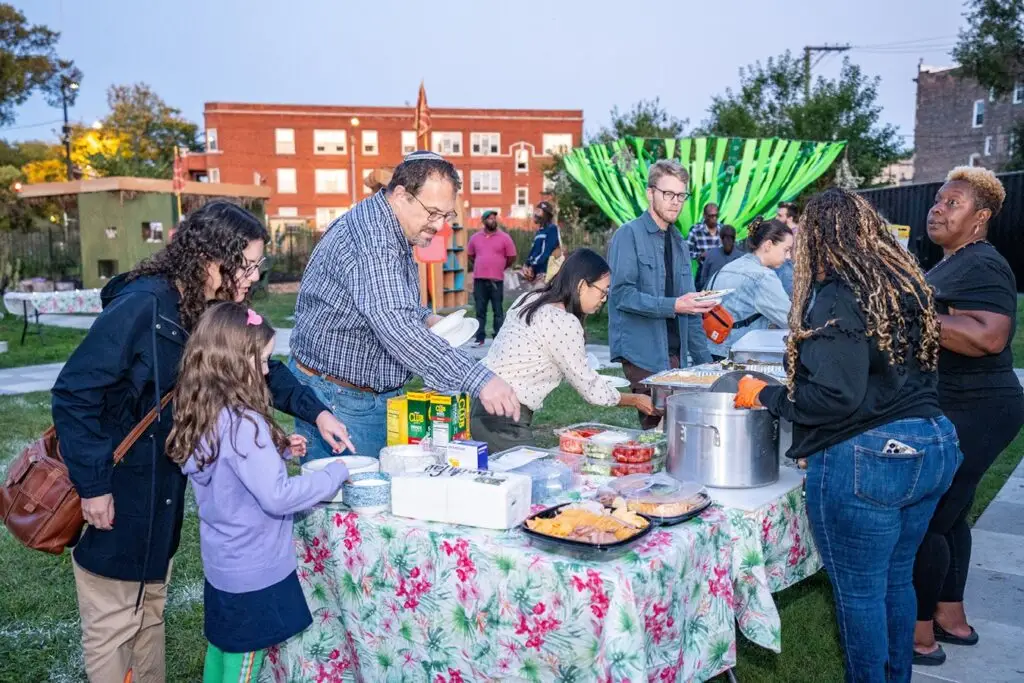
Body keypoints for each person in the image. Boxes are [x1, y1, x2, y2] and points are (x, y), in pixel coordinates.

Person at [50, 201, 353, 683]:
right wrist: (93, 485)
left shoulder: (209, 310)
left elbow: (263, 369)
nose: (254, 276)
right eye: (249, 264)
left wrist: (316, 411)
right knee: (113, 625)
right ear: (215, 259)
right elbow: (74, 393)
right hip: (121, 490)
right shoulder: (143, 305)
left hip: (160, 497)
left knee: (148, 616)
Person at [734, 188, 960, 683]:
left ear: (819, 237)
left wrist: (764, 395)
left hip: (871, 458)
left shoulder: (838, 292)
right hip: (932, 444)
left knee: (860, 594)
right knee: (896, 579)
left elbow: (834, 397)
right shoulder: (903, 283)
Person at [289, 151, 519, 461]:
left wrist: (426, 318)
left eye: (446, 216)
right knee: (352, 505)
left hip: (360, 394)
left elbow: (390, 300)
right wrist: (480, 379)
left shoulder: (391, 227)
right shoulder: (373, 239)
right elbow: (396, 326)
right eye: (432, 213)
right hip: (340, 399)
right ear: (400, 195)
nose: (439, 226)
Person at [166, 302, 348, 683]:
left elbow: (225, 469)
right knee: (244, 665)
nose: (267, 371)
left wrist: (279, 450)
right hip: (255, 572)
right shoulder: (245, 424)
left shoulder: (204, 410)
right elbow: (278, 496)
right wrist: (336, 473)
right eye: (262, 361)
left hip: (224, 567)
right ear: (234, 362)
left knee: (222, 650)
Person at [912, 167, 1024, 666]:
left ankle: (919, 635)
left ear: (979, 218)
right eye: (937, 200)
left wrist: (905, 314)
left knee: (927, 517)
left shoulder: (984, 263)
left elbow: (989, 336)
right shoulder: (952, 263)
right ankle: (951, 617)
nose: (937, 207)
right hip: (963, 403)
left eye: (952, 202)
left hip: (977, 406)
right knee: (953, 513)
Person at [473, 249, 657, 451]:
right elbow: (590, 388)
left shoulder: (530, 299)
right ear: (581, 285)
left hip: (483, 404)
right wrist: (637, 400)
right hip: (503, 417)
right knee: (530, 479)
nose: (604, 299)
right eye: (603, 291)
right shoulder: (562, 321)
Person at [608, 159, 716, 429]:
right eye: (668, 194)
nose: (675, 202)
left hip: (676, 354)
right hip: (642, 353)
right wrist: (674, 306)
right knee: (659, 430)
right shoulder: (628, 235)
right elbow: (621, 295)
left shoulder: (680, 242)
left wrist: (709, 370)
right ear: (650, 193)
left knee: (680, 431)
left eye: (681, 195)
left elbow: (691, 310)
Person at [706, 217, 793, 360]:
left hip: (711, 349)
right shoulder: (763, 277)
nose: (788, 257)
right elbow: (790, 320)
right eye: (786, 250)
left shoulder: (727, 268)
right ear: (768, 245)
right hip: (739, 357)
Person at [467, 210, 517, 347]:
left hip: (496, 280)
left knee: (498, 311)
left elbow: (512, 256)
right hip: (479, 280)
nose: (492, 220)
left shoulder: (505, 237)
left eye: (494, 218)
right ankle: (480, 338)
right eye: (489, 218)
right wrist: (482, 265)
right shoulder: (475, 238)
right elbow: (470, 255)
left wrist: (500, 266)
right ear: (483, 221)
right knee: (480, 310)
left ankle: (498, 339)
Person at [521, 200, 560, 284]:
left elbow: (546, 252)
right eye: (535, 210)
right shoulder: (539, 232)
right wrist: (526, 265)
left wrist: (532, 266)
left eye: (538, 211)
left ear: (546, 215)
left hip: (546, 275)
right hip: (536, 275)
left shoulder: (552, 229)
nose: (535, 214)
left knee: (538, 296)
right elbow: (534, 251)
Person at [696, 224, 741, 290]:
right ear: (735, 238)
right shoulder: (742, 257)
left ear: (720, 238)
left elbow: (702, 282)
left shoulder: (710, 254)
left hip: (712, 296)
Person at [774, 201, 799, 296]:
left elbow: (796, 259)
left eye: (780, 216)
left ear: (790, 218)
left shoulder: (797, 234)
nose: (776, 218)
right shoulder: (784, 232)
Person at [687, 202, 722, 267]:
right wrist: (700, 255)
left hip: (721, 270)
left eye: (716, 215)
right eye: (711, 216)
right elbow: (686, 252)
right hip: (704, 270)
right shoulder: (696, 230)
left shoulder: (723, 230)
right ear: (704, 215)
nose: (714, 218)